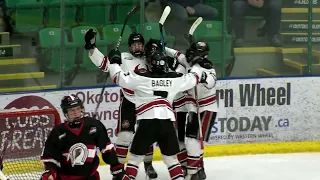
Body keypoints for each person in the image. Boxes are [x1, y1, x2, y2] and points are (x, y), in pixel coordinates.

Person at [106, 39, 208, 180]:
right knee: (172, 161)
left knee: (135, 160)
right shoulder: (174, 79)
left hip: (147, 124)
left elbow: (118, 77)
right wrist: (196, 62)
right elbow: (194, 77)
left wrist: (114, 62)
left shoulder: (140, 77)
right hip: (166, 124)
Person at [84, 29, 158, 179]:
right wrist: (92, 48)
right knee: (124, 136)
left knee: (148, 135)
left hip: (148, 102)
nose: (137, 47)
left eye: (139, 44)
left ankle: (148, 164)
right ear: (129, 47)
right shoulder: (123, 57)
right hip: (129, 102)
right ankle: (119, 170)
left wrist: (160, 50)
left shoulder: (150, 58)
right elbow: (104, 65)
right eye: (134, 45)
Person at [40, 95, 129, 180]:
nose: (76, 113)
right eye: (71, 110)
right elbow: (50, 159)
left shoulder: (94, 126)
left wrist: (117, 169)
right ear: (65, 113)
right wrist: (49, 173)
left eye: (78, 109)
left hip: (90, 177)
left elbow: (107, 150)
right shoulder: (58, 132)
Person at [171, 42, 218, 180]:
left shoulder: (208, 68)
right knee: (187, 139)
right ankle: (192, 169)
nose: (190, 55)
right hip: (189, 106)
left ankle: (195, 170)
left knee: (193, 140)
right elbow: (175, 54)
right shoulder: (186, 61)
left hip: (204, 107)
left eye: (194, 53)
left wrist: (202, 77)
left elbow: (211, 82)